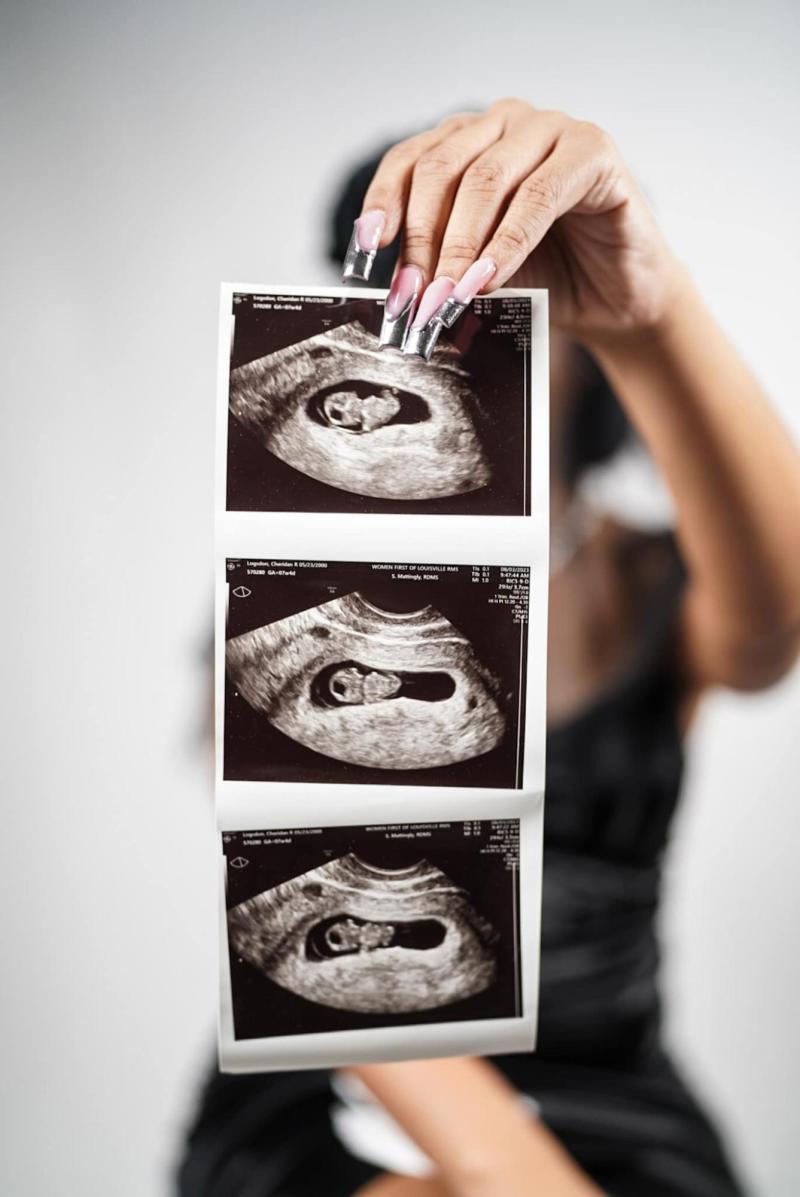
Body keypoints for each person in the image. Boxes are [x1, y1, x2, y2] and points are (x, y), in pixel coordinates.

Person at [177, 100, 800, 1196]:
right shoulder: (295, 599)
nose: (455, 322)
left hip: (615, 1092)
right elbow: (332, 936)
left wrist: (651, 315)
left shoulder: (650, 577)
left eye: (499, 278)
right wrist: (513, 1175)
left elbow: (768, 633)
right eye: (407, 281)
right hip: (340, 1064)